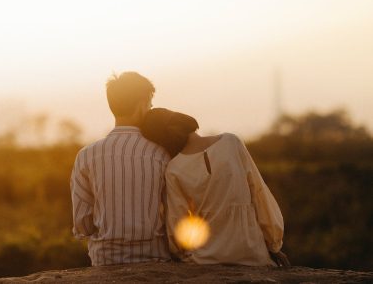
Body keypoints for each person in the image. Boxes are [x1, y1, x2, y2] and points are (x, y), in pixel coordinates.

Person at [141, 108, 290, 267]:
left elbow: (178, 224)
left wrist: (184, 254)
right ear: (182, 119)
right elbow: (259, 194)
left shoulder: (174, 169)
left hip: (206, 259)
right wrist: (274, 244)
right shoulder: (231, 142)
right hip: (252, 253)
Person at [70, 72, 171, 265]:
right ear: (142, 104)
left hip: (105, 260)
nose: (150, 108)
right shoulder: (161, 154)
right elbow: (173, 214)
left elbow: (82, 224)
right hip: (155, 259)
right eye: (150, 102)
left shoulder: (86, 155)